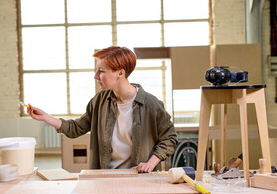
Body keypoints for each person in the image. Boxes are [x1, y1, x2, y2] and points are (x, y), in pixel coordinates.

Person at [27, 46, 178, 173]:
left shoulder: (151, 104)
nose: (95, 76)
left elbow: (170, 138)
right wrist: (45, 117)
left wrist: (151, 163)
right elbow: (76, 128)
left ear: (120, 72)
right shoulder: (99, 101)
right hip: (105, 176)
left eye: (101, 71)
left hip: (139, 177)